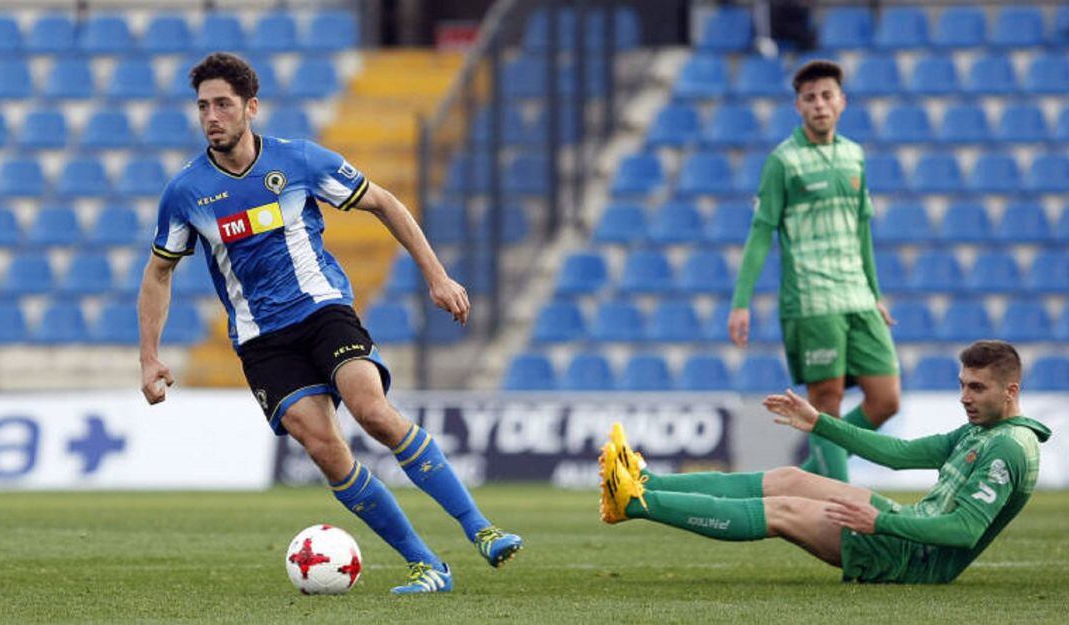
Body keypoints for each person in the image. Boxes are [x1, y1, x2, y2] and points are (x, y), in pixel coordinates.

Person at [137, 52, 521, 594]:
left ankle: (480, 528)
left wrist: (437, 276)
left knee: (373, 412)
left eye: (223, 104)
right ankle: (427, 565)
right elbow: (159, 272)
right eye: (203, 106)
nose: (211, 116)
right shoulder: (185, 193)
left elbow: (385, 203)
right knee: (325, 449)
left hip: (323, 312)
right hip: (262, 341)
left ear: (251, 107)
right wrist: (150, 357)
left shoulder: (299, 162)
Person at [599, 340, 1049, 584]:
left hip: (912, 560)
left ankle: (636, 503)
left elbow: (963, 531)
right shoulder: (979, 430)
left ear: (1010, 392)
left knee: (784, 510)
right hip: (902, 526)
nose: (964, 397)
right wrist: (820, 423)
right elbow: (897, 455)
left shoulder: (1009, 448)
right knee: (788, 478)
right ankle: (646, 480)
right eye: (963, 384)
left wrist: (880, 522)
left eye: (977, 388)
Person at [727, 59, 900, 482]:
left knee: (886, 399)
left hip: (857, 296)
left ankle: (810, 473)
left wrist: (874, 293)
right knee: (827, 404)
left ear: (842, 102)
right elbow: (761, 232)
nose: (819, 104)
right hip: (812, 301)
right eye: (810, 98)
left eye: (827, 95)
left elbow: (862, 232)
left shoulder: (854, 155)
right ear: (798, 107)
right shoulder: (783, 163)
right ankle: (839, 505)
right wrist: (741, 302)